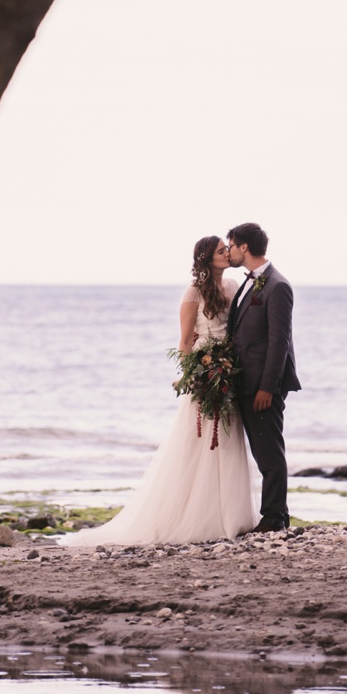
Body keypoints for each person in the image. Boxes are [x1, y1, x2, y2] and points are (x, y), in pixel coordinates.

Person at [59, 236, 259, 547]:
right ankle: (197, 516)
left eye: (226, 249)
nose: (226, 254)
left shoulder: (233, 286)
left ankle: (231, 516)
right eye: (221, 251)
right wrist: (194, 374)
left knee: (229, 440)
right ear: (208, 258)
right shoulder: (192, 292)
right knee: (200, 443)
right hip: (205, 374)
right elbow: (183, 341)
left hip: (229, 372)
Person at [226, 223, 300, 533]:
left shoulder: (277, 285)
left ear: (244, 247)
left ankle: (273, 519)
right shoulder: (251, 283)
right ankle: (278, 515)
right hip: (246, 382)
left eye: (230, 245)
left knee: (269, 453)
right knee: (263, 451)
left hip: (262, 386)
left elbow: (279, 341)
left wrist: (267, 387)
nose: (228, 251)